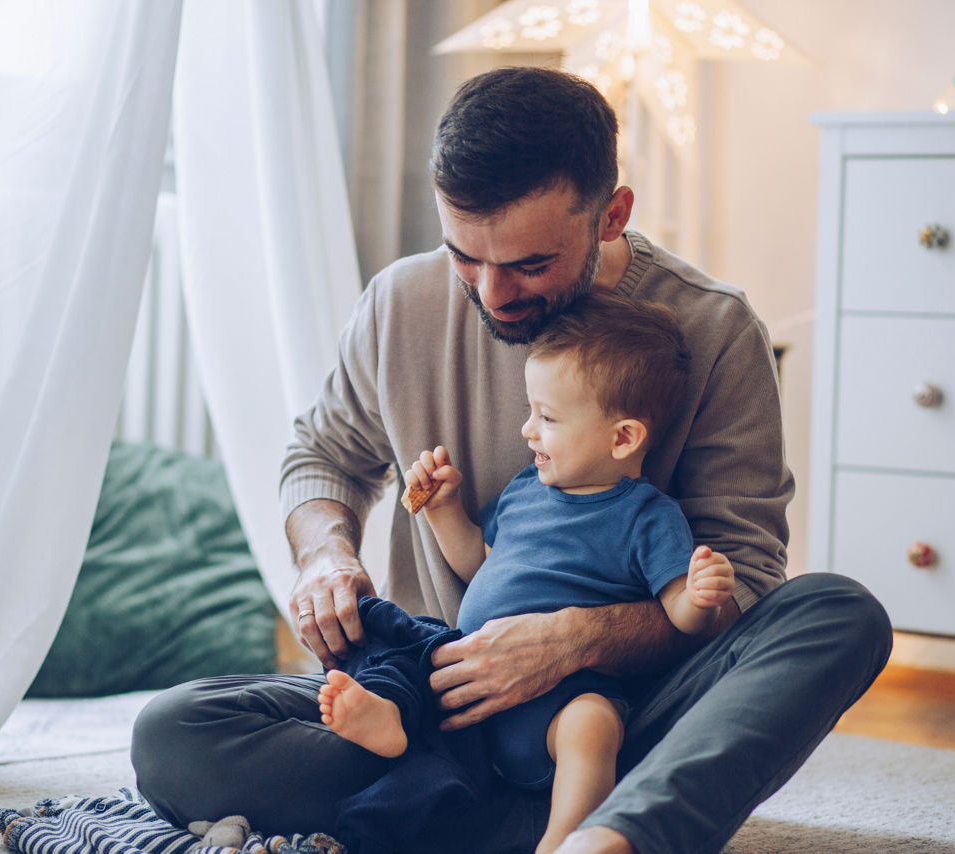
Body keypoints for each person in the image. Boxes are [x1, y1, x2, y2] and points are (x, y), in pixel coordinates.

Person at [131, 66, 892, 854]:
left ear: (612, 215)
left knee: (839, 615)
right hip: (431, 711)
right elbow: (322, 454)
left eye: (530, 264)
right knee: (172, 733)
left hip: (620, 719)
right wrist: (325, 555)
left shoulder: (712, 330)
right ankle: (548, 823)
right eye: (466, 257)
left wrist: (572, 641)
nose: (493, 295)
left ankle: (604, 831)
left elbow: (746, 582)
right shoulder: (400, 303)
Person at [317, 293, 736, 854]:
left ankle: (565, 837)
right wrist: (444, 510)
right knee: (396, 643)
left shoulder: (647, 515)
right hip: (464, 684)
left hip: (564, 698)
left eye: (547, 417)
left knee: (594, 726)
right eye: (530, 411)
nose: (527, 431)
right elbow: (479, 564)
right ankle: (390, 719)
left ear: (623, 438)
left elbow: (678, 612)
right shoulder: (524, 490)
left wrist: (703, 594)